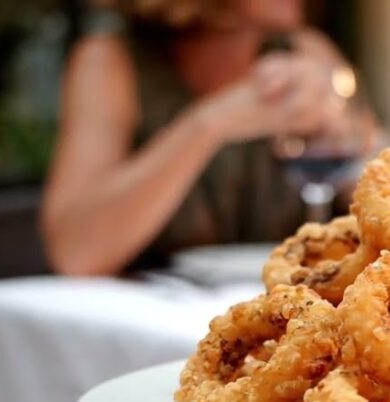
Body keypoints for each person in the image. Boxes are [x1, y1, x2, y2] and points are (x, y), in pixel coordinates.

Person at [42, 0, 357, 276]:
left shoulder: (306, 51)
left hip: (283, 318)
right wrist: (209, 124)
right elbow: (76, 255)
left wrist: (349, 132)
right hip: (148, 329)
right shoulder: (111, 60)